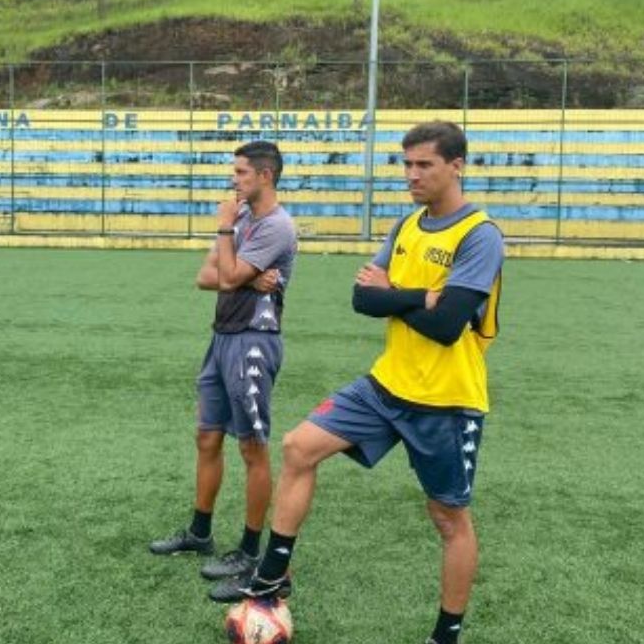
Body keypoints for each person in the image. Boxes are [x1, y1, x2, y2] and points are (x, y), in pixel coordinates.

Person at [208, 121, 504, 644]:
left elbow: (446, 326)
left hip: (447, 402)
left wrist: (397, 291)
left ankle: (446, 636)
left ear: (456, 166)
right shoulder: (406, 226)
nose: (411, 175)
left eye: (424, 165)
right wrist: (419, 295)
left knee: (448, 519)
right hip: (386, 385)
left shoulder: (479, 236)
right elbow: (362, 299)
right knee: (300, 447)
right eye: (406, 164)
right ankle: (271, 580)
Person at [149, 140, 299, 586]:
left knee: (252, 446)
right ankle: (200, 533)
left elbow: (228, 274)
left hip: (254, 342)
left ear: (265, 175)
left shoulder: (277, 226)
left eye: (240, 173)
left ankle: (250, 553)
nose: (233, 180)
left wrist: (224, 234)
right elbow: (206, 278)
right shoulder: (245, 220)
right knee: (206, 437)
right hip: (221, 339)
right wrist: (244, 276)